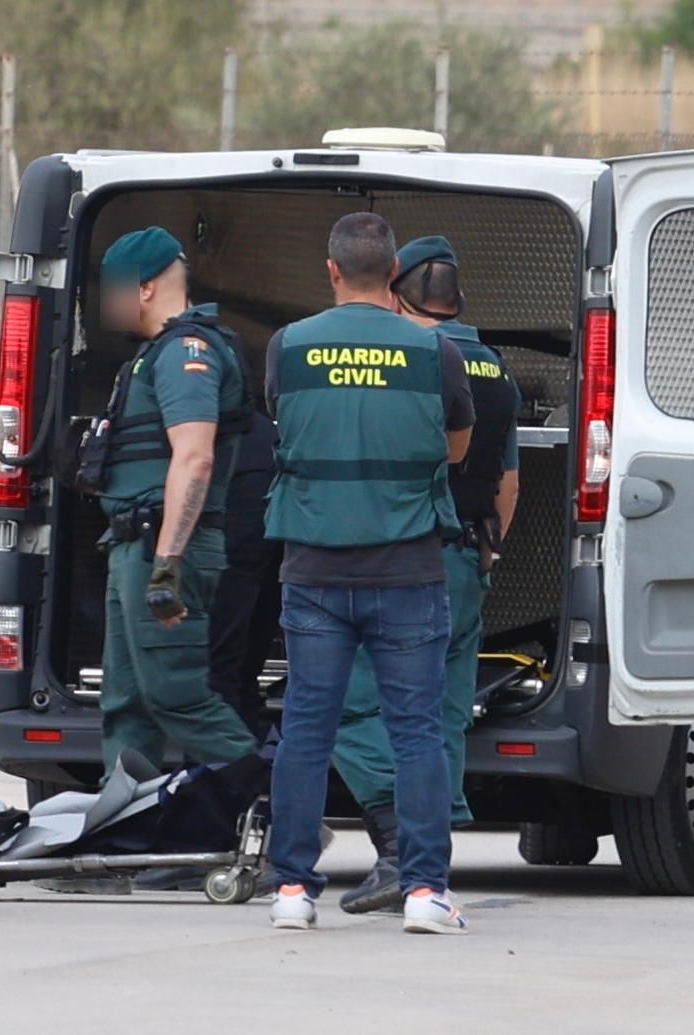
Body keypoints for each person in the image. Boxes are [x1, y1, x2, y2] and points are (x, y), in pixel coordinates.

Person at [263, 213, 475, 935]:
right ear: (393, 276)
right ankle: (424, 892)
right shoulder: (433, 350)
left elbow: (283, 424)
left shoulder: (286, 347)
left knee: (305, 730)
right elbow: (454, 447)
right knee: (416, 730)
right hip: (407, 569)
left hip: (313, 569)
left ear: (329, 270)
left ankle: (291, 888)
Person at [331, 236, 522, 913]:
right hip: (468, 557)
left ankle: (394, 846)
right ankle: (426, 863)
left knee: (354, 702)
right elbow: (504, 482)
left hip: (402, 556)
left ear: (396, 290)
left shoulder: (406, 361)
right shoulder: (498, 369)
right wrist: (487, 554)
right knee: (441, 711)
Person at [94, 226, 259, 776]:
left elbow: (195, 458)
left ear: (142, 288)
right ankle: (129, 837)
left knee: (178, 699)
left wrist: (167, 564)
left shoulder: (188, 351)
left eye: (111, 289)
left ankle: (276, 820)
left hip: (164, 551)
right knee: (126, 708)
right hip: (133, 546)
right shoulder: (150, 357)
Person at [208, 407, 282, 739]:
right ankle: (235, 773)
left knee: (219, 665)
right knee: (240, 664)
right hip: (263, 484)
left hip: (236, 501)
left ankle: (220, 777)